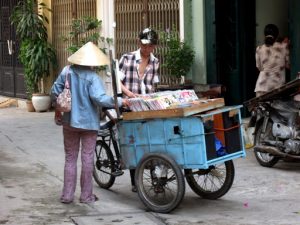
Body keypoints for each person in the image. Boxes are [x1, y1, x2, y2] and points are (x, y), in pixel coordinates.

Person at [51, 42, 128, 203]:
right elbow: (100, 99)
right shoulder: (93, 78)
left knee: (70, 158)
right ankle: (86, 196)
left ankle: (67, 195)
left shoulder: (67, 71)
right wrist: (119, 102)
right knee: (87, 158)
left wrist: (60, 106)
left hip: (69, 122)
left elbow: (54, 91)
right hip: (89, 124)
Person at [118, 28, 160, 192]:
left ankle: (154, 177)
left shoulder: (155, 62)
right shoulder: (127, 58)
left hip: (147, 107)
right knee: (134, 142)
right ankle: (135, 181)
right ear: (139, 43)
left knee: (150, 141)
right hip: (129, 106)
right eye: (145, 45)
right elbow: (117, 81)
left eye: (150, 46)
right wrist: (128, 94)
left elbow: (153, 85)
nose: (147, 49)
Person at [254, 24, 290, 97]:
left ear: (265, 35)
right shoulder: (283, 47)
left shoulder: (259, 49)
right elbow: (288, 65)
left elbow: (259, 68)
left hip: (262, 87)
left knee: (262, 108)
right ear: (277, 34)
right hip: (277, 87)